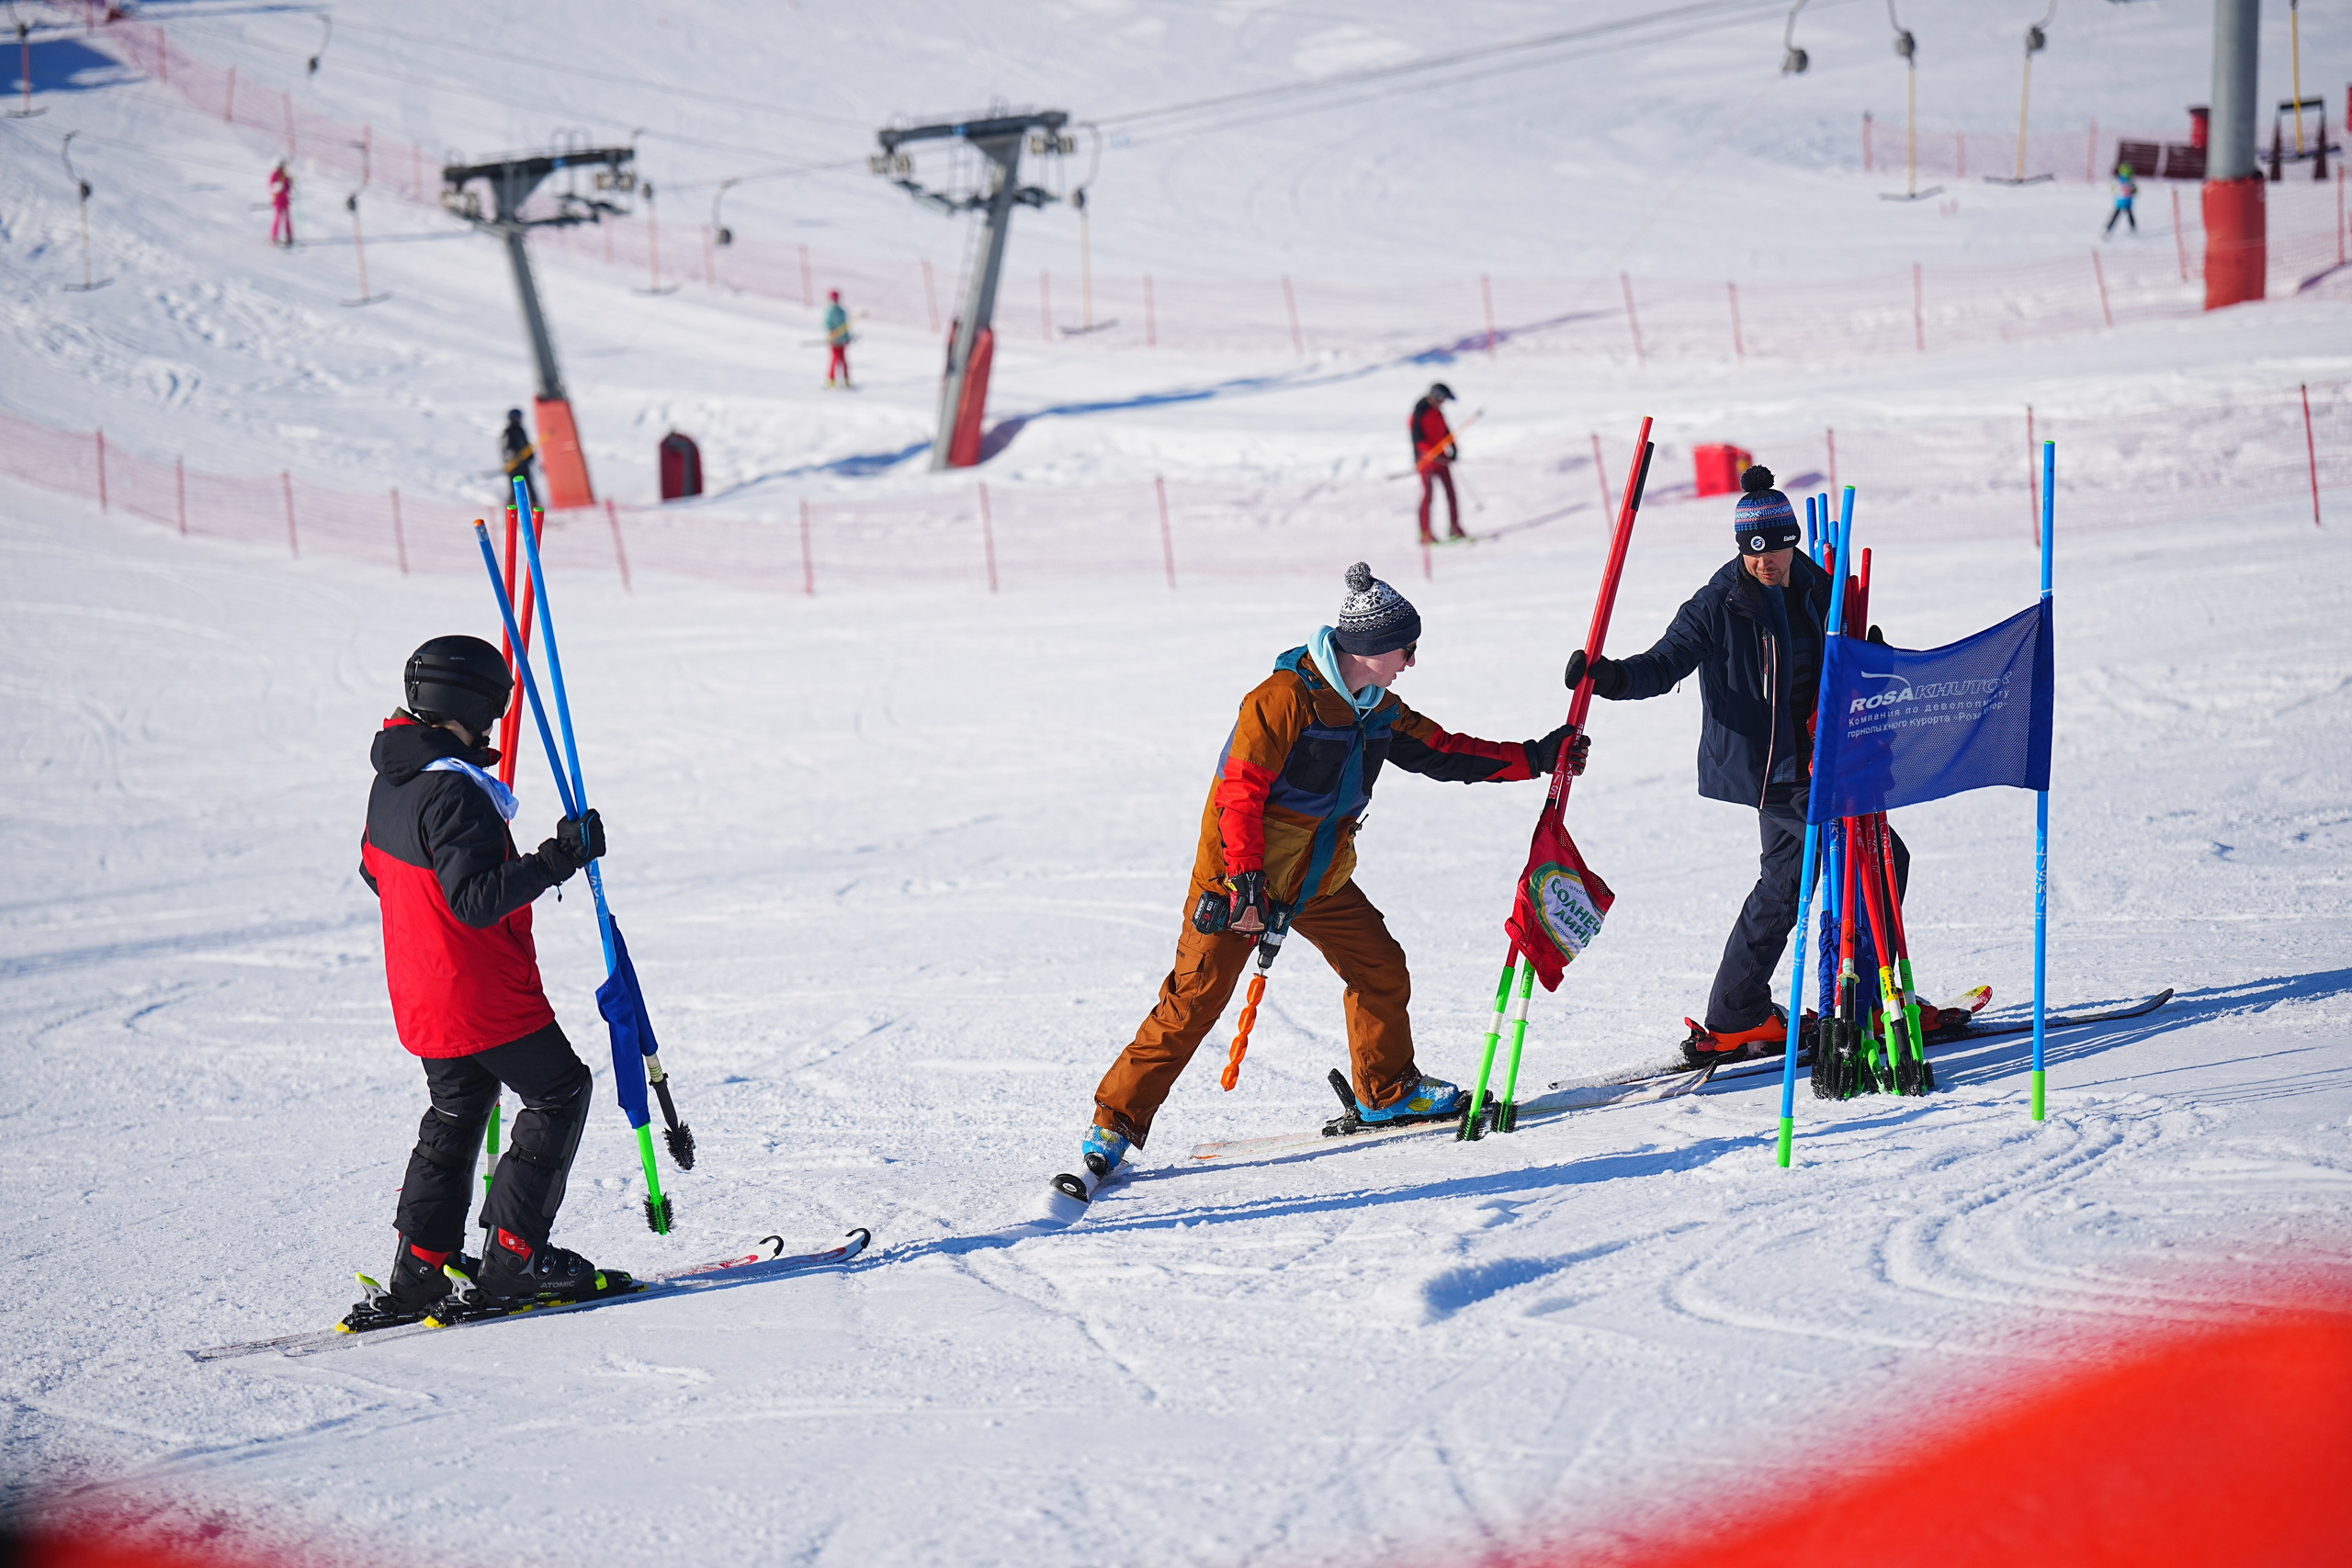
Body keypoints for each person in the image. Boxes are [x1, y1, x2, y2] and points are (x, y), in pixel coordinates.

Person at [1078, 562, 1587, 1176]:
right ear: (1372, 649)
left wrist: (1536, 756)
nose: (1412, 661)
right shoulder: (1282, 700)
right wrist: (1246, 879)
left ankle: (1387, 1091)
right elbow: (1239, 793)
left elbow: (1446, 752)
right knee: (1194, 1001)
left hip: (1318, 876)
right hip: (1242, 880)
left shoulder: (1379, 709)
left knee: (1380, 966)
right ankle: (1114, 1123)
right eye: (1407, 648)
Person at [1563, 464, 1908, 1067]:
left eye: (1775, 548)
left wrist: (1869, 658)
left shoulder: (1817, 585)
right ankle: (1867, 1002)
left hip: (1822, 756)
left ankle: (1740, 1011)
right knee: (1871, 858)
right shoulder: (1717, 603)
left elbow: (1846, 658)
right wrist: (1610, 677)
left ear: (1793, 541)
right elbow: (1663, 664)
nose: (1765, 561)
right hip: (1768, 767)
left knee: (1793, 880)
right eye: (1753, 551)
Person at [346, 636, 622, 1330]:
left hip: (422, 992)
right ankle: (514, 1260)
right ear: (469, 704)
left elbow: (375, 871)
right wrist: (559, 857)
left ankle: (420, 1270)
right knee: (560, 1092)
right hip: (480, 992)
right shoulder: (451, 790)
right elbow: (475, 901)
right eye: (494, 709)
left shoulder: (394, 780)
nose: (496, 723)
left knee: (457, 1110)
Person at [1408, 382, 1465, 544]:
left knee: (1451, 494)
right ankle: (1425, 533)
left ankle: (1454, 527)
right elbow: (1418, 440)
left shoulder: (1438, 413)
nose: (1443, 403)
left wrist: (1453, 448)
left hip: (1442, 460)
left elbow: (1446, 432)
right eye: (1443, 399)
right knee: (1428, 496)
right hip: (1426, 463)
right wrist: (1429, 453)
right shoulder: (1419, 413)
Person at [501, 408, 539, 513]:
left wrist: (530, 456)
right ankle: (509, 514)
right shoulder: (508, 432)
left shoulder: (521, 430)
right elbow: (507, 449)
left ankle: (536, 511)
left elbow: (526, 446)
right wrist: (514, 456)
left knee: (530, 487)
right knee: (514, 489)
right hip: (514, 467)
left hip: (524, 465)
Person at [824, 289, 853, 389]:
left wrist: (847, 337)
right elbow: (827, 324)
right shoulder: (830, 311)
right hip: (834, 341)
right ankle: (829, 382)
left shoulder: (842, 311)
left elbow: (846, 326)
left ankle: (846, 381)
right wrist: (831, 332)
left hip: (842, 341)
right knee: (834, 361)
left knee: (844, 361)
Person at [2104, 163, 2138, 237]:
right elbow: (2114, 190)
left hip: (2124, 203)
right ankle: (2108, 228)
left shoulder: (2128, 182)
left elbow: (2135, 191)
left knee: (2127, 216)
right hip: (2122, 203)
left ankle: (2133, 228)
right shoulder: (2124, 182)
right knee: (2118, 216)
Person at [269, 161, 295, 249]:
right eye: (284, 167)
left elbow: (288, 188)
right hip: (278, 201)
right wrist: (278, 185)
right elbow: (272, 187)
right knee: (278, 218)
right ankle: (274, 237)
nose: (285, 169)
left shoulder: (285, 176)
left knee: (287, 219)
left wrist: (291, 183)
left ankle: (289, 236)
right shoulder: (275, 175)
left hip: (285, 201)